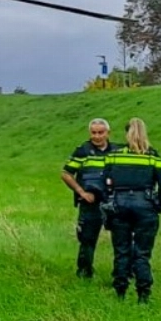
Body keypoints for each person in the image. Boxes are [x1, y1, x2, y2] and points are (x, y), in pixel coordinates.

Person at [103, 118, 161, 304]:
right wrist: (158, 206)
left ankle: (120, 292)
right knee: (142, 253)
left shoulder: (114, 155)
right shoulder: (153, 156)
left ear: (126, 133)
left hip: (120, 205)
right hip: (145, 205)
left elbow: (105, 182)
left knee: (121, 251)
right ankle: (143, 295)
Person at [60, 118, 118, 279]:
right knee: (87, 239)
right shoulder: (83, 150)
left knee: (121, 240)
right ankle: (84, 273)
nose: (97, 136)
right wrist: (81, 191)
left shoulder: (117, 150)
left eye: (101, 132)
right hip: (90, 204)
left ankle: (121, 273)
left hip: (112, 202)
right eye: (94, 133)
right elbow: (65, 174)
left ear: (108, 133)